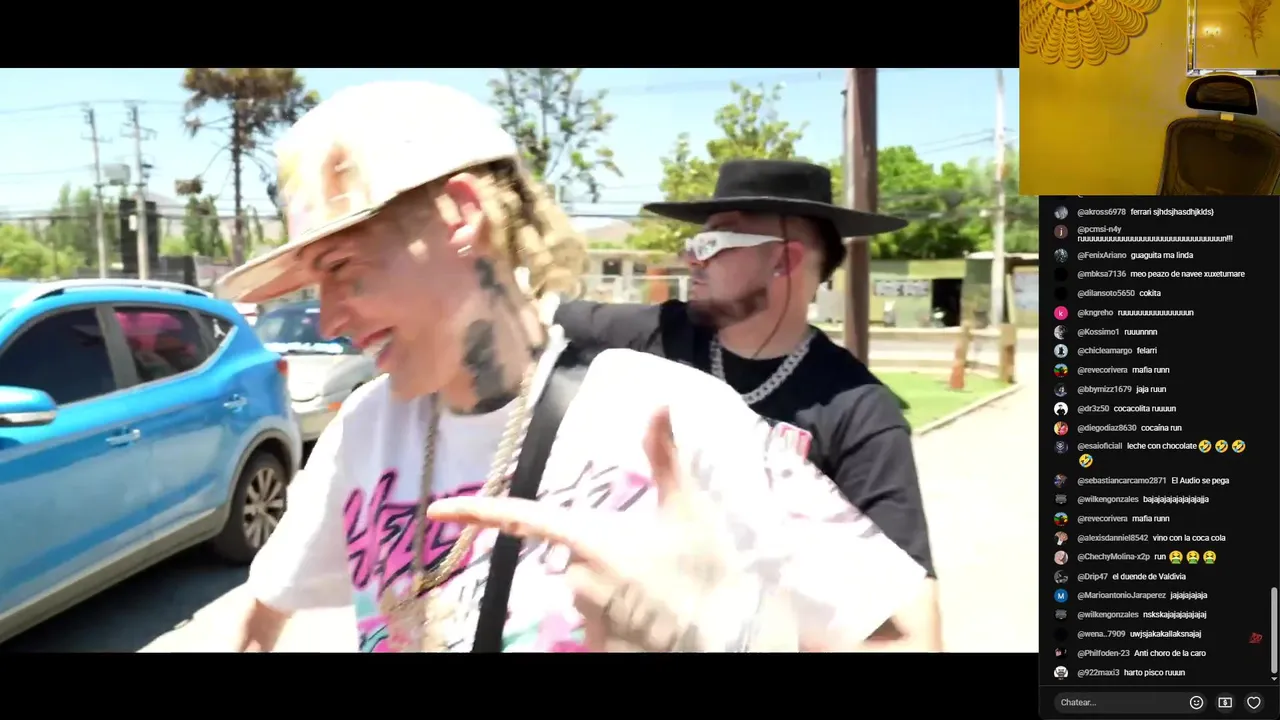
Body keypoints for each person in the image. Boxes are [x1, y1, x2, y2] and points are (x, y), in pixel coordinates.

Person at [217, 81, 927, 653]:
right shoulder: (362, 430)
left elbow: (903, 635)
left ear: (462, 214)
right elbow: (261, 610)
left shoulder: (683, 417)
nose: (329, 320)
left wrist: (693, 636)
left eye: (345, 268)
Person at [554, 159, 943, 649]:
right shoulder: (656, 336)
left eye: (713, 242)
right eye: (695, 242)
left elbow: (910, 634)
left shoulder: (861, 414)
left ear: (784, 260)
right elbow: (532, 322)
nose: (691, 257)